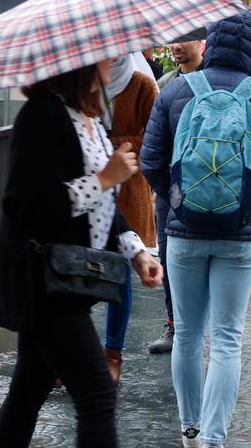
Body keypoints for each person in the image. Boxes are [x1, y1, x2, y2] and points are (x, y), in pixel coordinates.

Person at [141, 11, 251, 448]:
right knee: (228, 338)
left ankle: (189, 430)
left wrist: (176, 201)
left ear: (210, 43)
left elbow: (151, 162)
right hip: (239, 236)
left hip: (183, 232)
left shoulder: (175, 91)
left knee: (188, 335)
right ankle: (213, 438)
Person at [0, 60, 163, 448]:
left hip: (66, 278)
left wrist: (136, 252)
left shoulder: (89, 118)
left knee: (29, 390)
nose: (116, 57)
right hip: (44, 281)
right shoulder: (42, 115)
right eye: (105, 51)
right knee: (98, 393)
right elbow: (27, 205)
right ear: (77, 60)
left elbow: (104, 204)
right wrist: (105, 178)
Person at [100, 54, 159, 384]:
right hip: (95, 183)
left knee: (121, 272)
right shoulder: (86, 84)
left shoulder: (141, 84)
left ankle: (113, 352)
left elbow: (154, 137)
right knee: (85, 267)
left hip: (129, 187)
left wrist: (112, 144)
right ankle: (68, 353)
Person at [147, 38, 207, 355]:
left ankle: (197, 323)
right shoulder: (165, 85)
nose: (177, 46)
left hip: (210, 186)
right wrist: (162, 187)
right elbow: (153, 144)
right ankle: (174, 323)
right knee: (170, 255)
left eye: (186, 39)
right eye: (174, 39)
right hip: (171, 188)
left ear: (203, 43)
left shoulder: (215, 82)